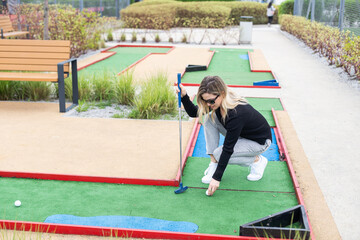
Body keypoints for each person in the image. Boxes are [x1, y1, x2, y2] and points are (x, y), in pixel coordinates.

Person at [177, 76, 272, 196]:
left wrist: (217, 178)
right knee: (207, 118)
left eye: (211, 101)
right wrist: (184, 96)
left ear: (222, 93)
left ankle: (257, 160)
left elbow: (228, 148)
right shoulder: (217, 102)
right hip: (241, 134)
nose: (208, 104)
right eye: (205, 101)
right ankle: (213, 162)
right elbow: (194, 112)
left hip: (258, 142)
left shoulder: (237, 112)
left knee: (219, 154)